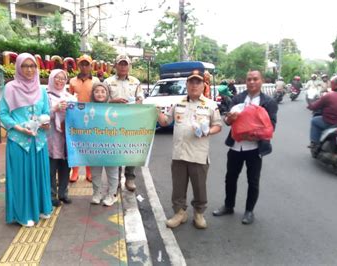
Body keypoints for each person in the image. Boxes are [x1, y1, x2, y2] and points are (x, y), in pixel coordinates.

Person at [157, 69, 222, 229]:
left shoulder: (210, 105)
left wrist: (208, 131)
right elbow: (166, 122)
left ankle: (199, 213)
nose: (194, 85)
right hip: (179, 153)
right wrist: (156, 112)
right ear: (186, 84)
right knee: (178, 188)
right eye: (191, 82)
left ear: (203, 85)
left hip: (198, 155)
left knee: (199, 187)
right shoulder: (178, 103)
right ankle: (180, 213)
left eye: (197, 82)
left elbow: (218, 125)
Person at [213, 70, 278, 225]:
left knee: (253, 181)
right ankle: (228, 206)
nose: (252, 82)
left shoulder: (268, 102)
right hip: (236, 147)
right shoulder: (237, 98)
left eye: (255, 79)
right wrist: (229, 119)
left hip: (255, 149)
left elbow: (271, 126)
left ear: (261, 81)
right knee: (230, 178)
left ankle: (249, 211)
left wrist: (253, 136)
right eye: (249, 79)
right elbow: (228, 121)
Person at [0, 53, 52, 227]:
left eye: (32, 66)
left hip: (39, 141)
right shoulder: (10, 87)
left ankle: (41, 208)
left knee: (39, 175)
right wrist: (19, 128)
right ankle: (23, 214)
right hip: (19, 141)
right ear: (18, 68)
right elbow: (3, 114)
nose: (29, 70)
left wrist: (45, 122)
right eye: (25, 66)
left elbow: (47, 111)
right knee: (21, 178)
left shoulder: (41, 89)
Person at [104, 54, 144, 192]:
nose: (123, 66)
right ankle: (116, 179)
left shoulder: (135, 81)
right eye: (120, 64)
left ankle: (130, 177)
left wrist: (135, 104)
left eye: (125, 64)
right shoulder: (108, 82)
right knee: (116, 149)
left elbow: (140, 100)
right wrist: (113, 101)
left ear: (129, 66)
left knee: (131, 148)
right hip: (113, 121)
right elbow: (101, 100)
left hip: (131, 120)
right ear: (115, 65)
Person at [68, 54, 100, 183]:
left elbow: (99, 98)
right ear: (78, 65)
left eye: (87, 64)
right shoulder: (72, 81)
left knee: (89, 145)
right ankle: (75, 171)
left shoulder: (96, 81)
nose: (85, 66)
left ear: (91, 66)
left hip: (91, 117)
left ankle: (89, 171)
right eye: (82, 64)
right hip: (76, 117)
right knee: (75, 144)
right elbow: (68, 98)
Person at [89, 82, 120, 206]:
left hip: (111, 145)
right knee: (95, 173)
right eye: (97, 91)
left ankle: (111, 195)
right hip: (94, 146)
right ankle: (97, 193)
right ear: (93, 93)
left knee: (112, 173)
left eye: (103, 91)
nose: (100, 94)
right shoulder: (87, 108)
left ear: (107, 93)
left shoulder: (114, 109)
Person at [46, 69, 73, 206]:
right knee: (51, 168)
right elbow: (41, 116)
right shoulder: (45, 97)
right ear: (51, 79)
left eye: (63, 78)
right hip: (51, 136)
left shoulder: (69, 96)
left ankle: (63, 193)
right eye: (57, 78)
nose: (60, 81)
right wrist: (54, 109)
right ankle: (51, 196)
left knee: (65, 166)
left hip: (67, 137)